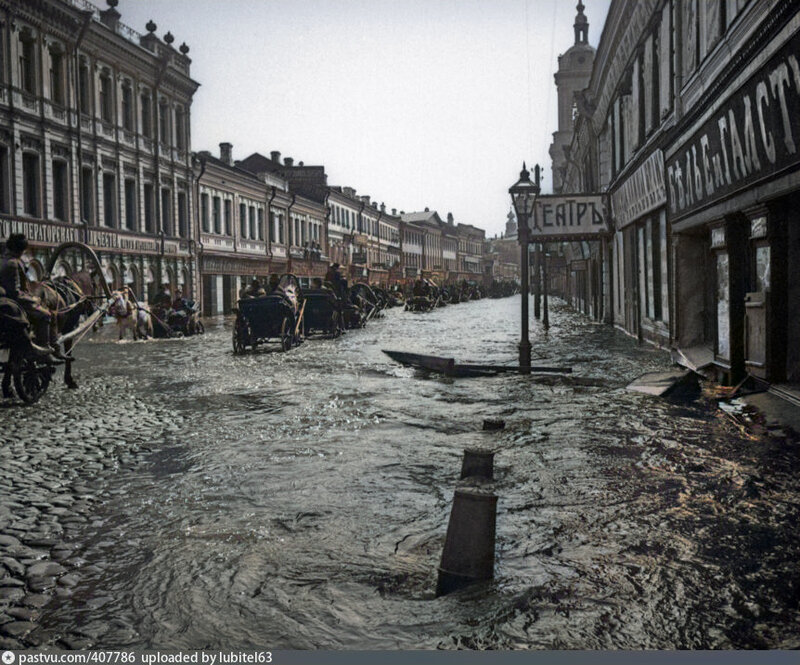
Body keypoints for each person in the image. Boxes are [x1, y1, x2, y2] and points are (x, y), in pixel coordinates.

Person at [0, 234, 63, 360]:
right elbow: (16, 293)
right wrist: (33, 299)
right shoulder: (13, 264)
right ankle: (45, 350)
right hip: (13, 304)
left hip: (5, 301)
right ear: (21, 250)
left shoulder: (3, 260)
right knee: (46, 314)